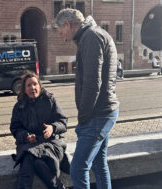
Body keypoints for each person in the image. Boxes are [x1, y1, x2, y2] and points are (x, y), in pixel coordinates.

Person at [55, 9, 119, 189]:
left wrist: (83, 118)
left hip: (98, 114)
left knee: (77, 168)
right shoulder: (94, 34)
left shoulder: (91, 37)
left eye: (62, 33)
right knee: (99, 164)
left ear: (67, 24)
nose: (64, 38)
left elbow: (92, 82)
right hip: (103, 112)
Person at [10, 71, 69, 189]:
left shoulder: (50, 100)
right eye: (29, 85)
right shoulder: (19, 106)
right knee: (33, 159)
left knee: (30, 159)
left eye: (35, 84)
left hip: (51, 143)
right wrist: (26, 136)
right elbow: (15, 128)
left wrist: (53, 128)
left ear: (39, 86)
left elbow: (63, 122)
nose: (32, 88)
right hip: (29, 143)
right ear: (24, 89)